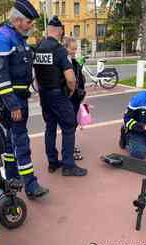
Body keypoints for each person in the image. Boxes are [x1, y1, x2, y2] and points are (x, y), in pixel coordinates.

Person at [0, 0, 49, 199]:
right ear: (16, 20)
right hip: (12, 101)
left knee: (10, 141)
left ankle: (12, 177)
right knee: (21, 141)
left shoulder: (17, 37)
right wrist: (13, 104)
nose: (31, 25)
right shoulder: (3, 39)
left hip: (19, 97)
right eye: (28, 22)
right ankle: (30, 185)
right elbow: (1, 77)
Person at [34, 16, 88, 177]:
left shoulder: (38, 48)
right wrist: (71, 91)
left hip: (44, 94)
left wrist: (41, 92)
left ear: (47, 30)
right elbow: (71, 78)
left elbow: (36, 75)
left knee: (50, 128)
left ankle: (52, 162)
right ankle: (68, 165)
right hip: (59, 94)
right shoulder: (59, 50)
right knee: (69, 126)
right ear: (59, 31)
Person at [63, 36, 86, 161]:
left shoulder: (73, 61)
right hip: (69, 99)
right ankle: (69, 151)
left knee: (74, 125)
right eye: (72, 49)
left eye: (75, 49)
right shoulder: (64, 63)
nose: (74, 51)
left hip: (76, 98)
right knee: (69, 126)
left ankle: (70, 147)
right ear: (65, 48)